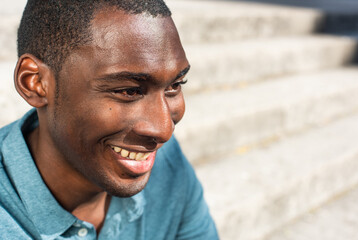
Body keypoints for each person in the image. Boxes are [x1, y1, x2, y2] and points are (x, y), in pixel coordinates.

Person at [0, 0, 219, 239]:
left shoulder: (167, 165)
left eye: (174, 86)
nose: (163, 130)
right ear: (36, 83)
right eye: (128, 91)